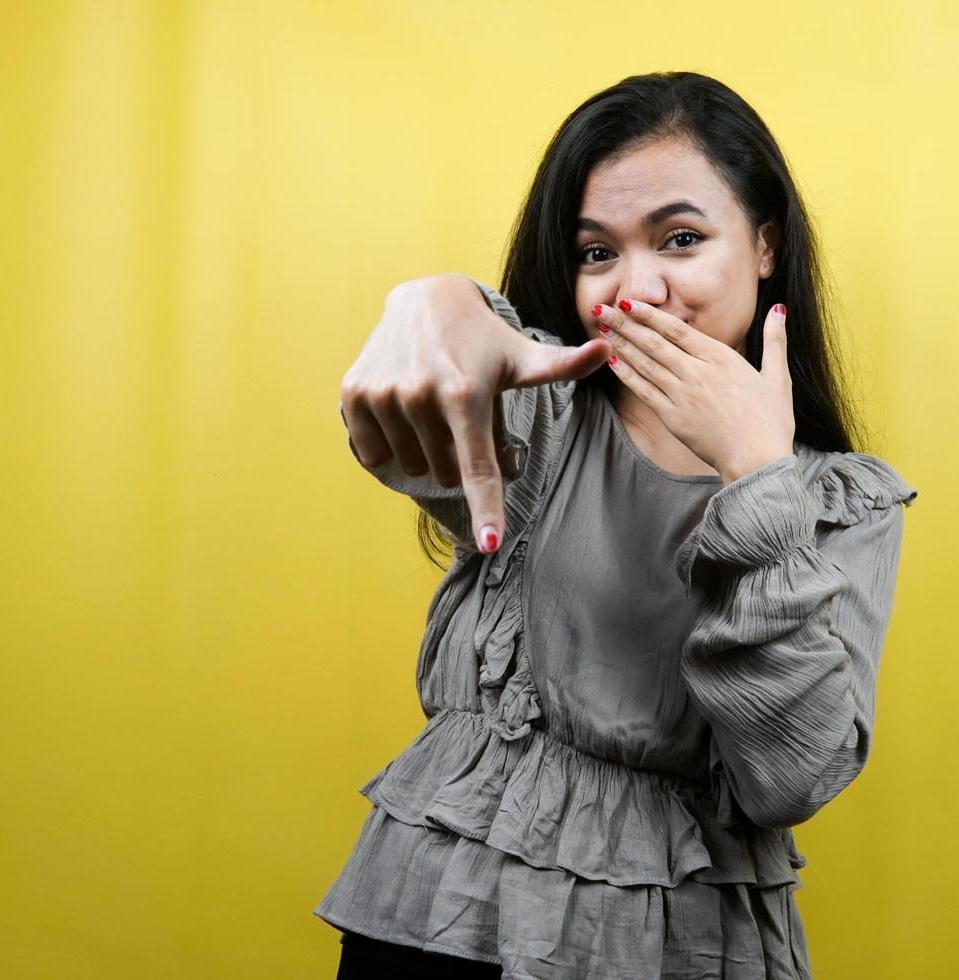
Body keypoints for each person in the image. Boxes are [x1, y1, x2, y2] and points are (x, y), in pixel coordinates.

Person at [319, 70, 918, 979]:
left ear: (763, 246)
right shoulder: (541, 418)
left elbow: (789, 777)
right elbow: (410, 416)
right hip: (445, 915)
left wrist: (757, 476)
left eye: (680, 239)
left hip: (678, 941)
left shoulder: (842, 503)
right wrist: (434, 304)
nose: (635, 291)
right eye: (596, 253)